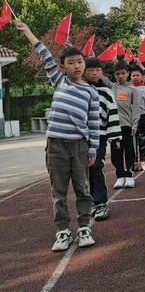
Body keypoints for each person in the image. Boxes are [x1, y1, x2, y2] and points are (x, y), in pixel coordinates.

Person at [16, 21, 99, 251]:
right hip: (56, 146)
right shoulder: (60, 82)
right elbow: (44, 54)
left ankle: (84, 228)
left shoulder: (91, 92)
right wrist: (28, 32)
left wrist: (92, 149)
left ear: (84, 64)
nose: (76, 66)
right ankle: (62, 231)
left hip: (79, 146)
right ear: (62, 67)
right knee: (59, 191)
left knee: (82, 189)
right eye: (70, 63)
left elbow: (93, 123)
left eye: (79, 62)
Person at [84, 57, 122, 220]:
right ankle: (90, 201)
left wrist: (115, 137)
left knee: (96, 166)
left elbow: (112, 114)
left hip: (98, 136)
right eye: (90, 70)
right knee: (84, 171)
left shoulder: (106, 92)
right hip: (80, 137)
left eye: (97, 70)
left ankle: (100, 202)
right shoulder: (79, 89)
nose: (94, 73)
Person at [111, 62, 140, 188]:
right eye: (118, 74)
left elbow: (136, 109)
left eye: (123, 73)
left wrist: (134, 125)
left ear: (128, 74)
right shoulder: (112, 87)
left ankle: (129, 174)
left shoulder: (133, 89)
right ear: (114, 75)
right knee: (116, 152)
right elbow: (100, 77)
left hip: (127, 125)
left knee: (129, 150)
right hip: (114, 126)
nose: (120, 76)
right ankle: (120, 175)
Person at [130, 66, 145, 171]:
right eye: (133, 75)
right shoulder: (128, 88)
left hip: (142, 116)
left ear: (142, 77)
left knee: (143, 139)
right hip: (130, 118)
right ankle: (135, 162)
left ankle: (144, 161)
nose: (135, 77)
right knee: (132, 141)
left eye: (137, 75)